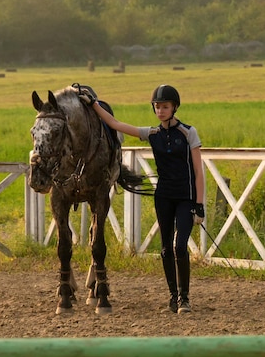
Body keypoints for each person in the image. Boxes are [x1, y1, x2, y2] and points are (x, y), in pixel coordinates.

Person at [79, 83, 205, 315]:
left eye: (165, 107)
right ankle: (173, 297)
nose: (160, 111)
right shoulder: (152, 134)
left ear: (174, 107)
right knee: (166, 248)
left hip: (186, 198)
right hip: (164, 197)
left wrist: (199, 204)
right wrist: (94, 103)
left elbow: (199, 171)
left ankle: (184, 299)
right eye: (157, 107)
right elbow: (116, 124)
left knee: (179, 246)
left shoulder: (189, 133)